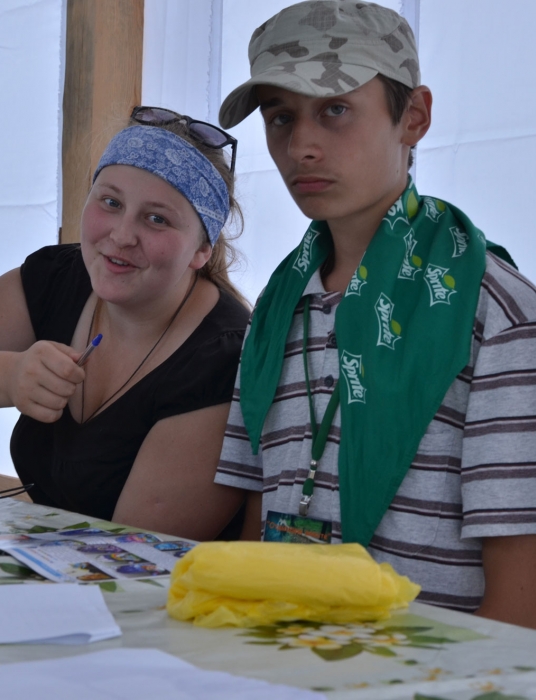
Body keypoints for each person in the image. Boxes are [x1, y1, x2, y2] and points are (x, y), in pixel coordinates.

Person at [213, 0, 536, 628]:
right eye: (281, 117)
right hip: (282, 648)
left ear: (413, 117)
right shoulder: (277, 308)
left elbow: (521, 605)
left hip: (423, 666)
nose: (300, 146)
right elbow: (257, 516)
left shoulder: (497, 316)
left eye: (334, 110)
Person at [0, 109, 249, 541]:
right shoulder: (59, 277)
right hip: (51, 561)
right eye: (111, 203)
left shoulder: (223, 360)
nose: (122, 235)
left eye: (157, 219)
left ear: (201, 250)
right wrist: (7, 377)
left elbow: (132, 555)